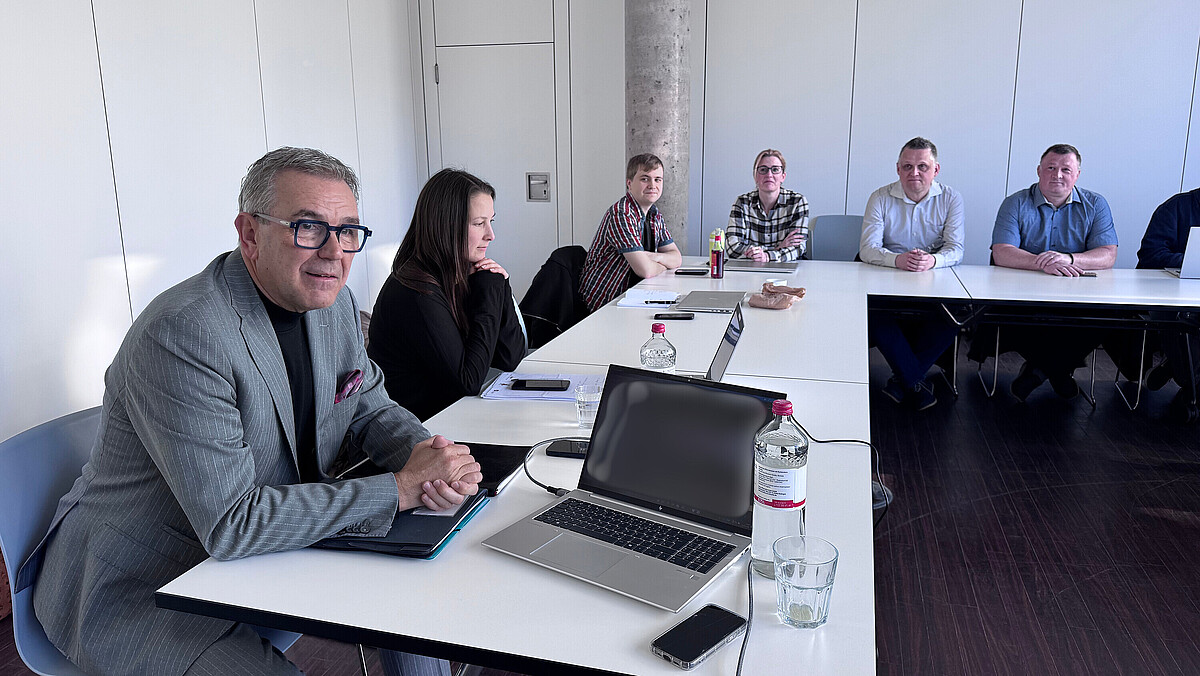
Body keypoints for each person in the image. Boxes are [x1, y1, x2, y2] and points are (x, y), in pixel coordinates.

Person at [22, 147, 480, 676]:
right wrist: (400, 488)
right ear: (250, 234)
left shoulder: (332, 305)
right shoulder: (185, 333)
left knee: (414, 585)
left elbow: (369, 406)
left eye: (347, 231)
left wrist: (434, 459)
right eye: (309, 228)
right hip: (144, 583)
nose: (334, 252)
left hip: (264, 555)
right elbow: (233, 523)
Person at [369, 169, 525, 421]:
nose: (490, 235)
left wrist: (498, 286)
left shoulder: (461, 273)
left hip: (449, 417)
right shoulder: (416, 291)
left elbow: (510, 357)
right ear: (446, 226)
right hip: (416, 429)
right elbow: (468, 381)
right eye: (478, 223)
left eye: (491, 221)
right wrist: (491, 290)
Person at [990, 143, 1118, 401]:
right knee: (1012, 318)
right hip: (1022, 292)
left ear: (1077, 174)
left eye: (1065, 170)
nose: (1057, 175)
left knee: (1110, 316)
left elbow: (1108, 254)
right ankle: (1059, 371)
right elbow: (1001, 251)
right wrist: (1043, 262)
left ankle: (1039, 371)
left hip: (1078, 293)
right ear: (1039, 171)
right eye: (1050, 168)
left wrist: (1068, 258)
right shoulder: (1015, 203)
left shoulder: (1096, 204)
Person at [860, 137, 965, 409]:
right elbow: (867, 249)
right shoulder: (880, 197)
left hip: (931, 278)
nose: (914, 173)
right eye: (907, 166)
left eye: (922, 166)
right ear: (898, 168)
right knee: (873, 312)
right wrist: (898, 260)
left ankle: (903, 379)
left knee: (959, 313)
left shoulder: (951, 198)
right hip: (886, 273)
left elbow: (956, 249)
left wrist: (933, 260)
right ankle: (914, 382)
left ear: (936, 169)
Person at [579, 153, 682, 311]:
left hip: (634, 295)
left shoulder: (654, 214)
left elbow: (677, 258)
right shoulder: (622, 213)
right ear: (629, 183)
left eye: (657, 179)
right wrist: (663, 265)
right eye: (644, 179)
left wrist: (653, 257)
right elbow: (646, 270)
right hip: (606, 302)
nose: (652, 185)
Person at [1134, 188, 1200, 412]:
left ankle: (1182, 373)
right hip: (1170, 292)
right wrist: (1190, 260)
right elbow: (1150, 254)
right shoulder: (1177, 207)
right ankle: (1191, 385)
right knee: (1184, 321)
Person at [726, 149, 809, 261]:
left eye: (775, 170)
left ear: (783, 176)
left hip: (787, 267)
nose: (769, 175)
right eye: (763, 170)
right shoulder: (742, 203)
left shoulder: (797, 202)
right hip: (751, 268)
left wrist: (767, 256)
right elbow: (732, 247)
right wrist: (778, 248)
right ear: (756, 176)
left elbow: (798, 248)